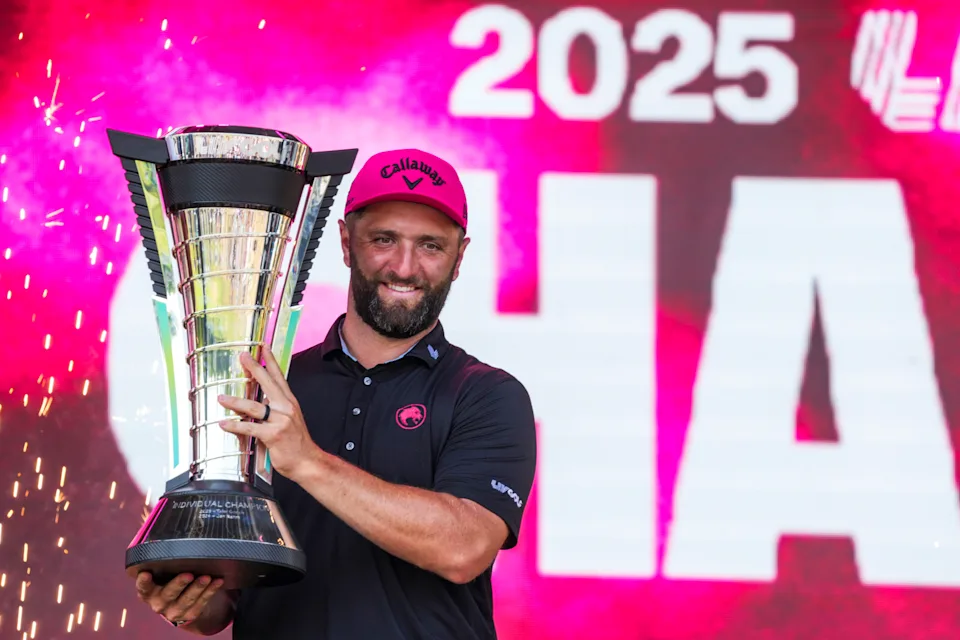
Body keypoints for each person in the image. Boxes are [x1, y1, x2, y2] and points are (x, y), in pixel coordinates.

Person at [133, 148, 538, 639]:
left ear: (459, 258)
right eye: (384, 239)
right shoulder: (271, 386)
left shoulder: (488, 396)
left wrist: (307, 461)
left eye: (430, 246)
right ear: (346, 243)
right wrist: (189, 598)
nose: (405, 267)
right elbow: (227, 599)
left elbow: (463, 549)